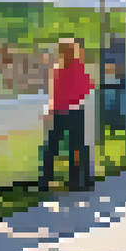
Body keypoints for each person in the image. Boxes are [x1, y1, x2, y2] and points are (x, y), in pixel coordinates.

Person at [41, 39, 93, 190]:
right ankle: (76, 181)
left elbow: (53, 91)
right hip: (75, 111)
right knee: (76, 147)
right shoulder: (79, 68)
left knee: (52, 146)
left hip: (58, 111)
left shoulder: (57, 68)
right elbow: (87, 88)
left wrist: (51, 107)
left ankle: (45, 179)